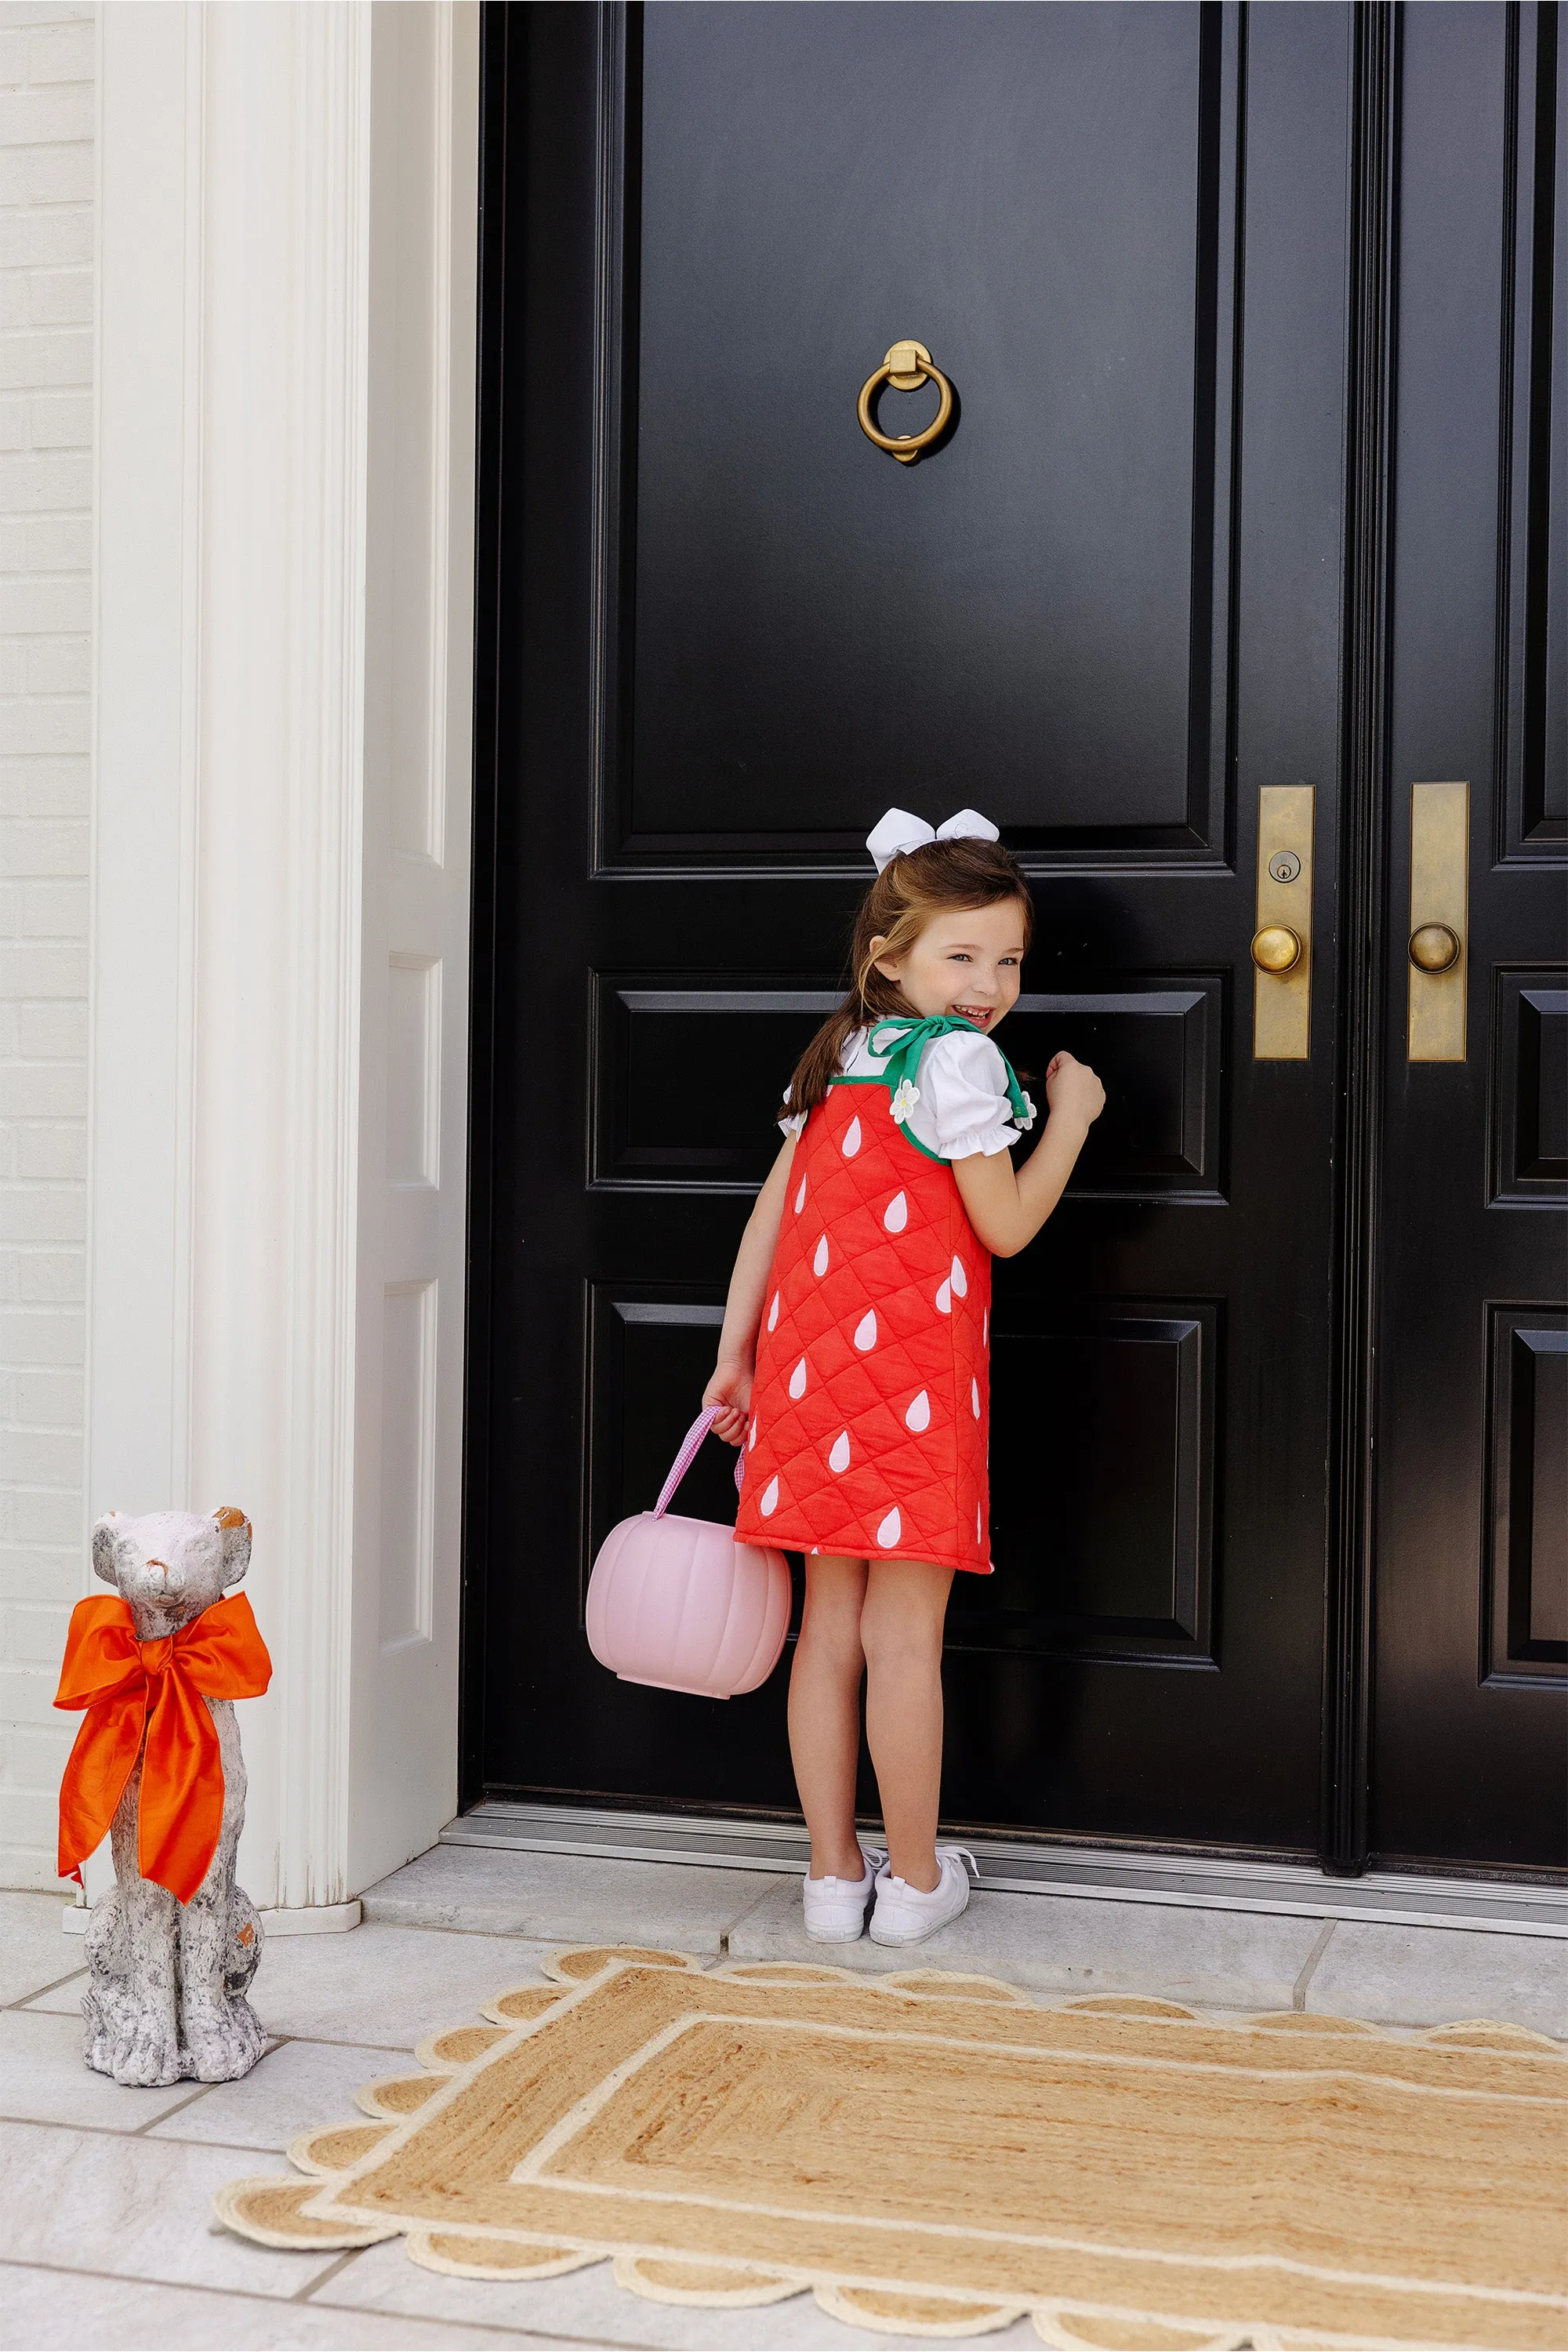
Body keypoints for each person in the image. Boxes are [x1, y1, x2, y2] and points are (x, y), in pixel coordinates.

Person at [703, 806, 1105, 1946]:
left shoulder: (838, 1054)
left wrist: (737, 1355)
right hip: (916, 1391)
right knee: (904, 1639)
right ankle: (917, 1882)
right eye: (962, 955)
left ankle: (834, 1880)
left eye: (1009, 959)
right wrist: (1069, 1118)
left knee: (827, 1631)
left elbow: (770, 1223)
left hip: (816, 1381)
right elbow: (1009, 1224)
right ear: (890, 956)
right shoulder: (962, 1063)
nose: (989, 984)